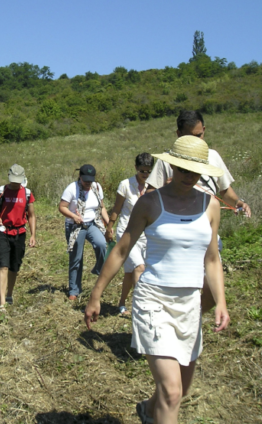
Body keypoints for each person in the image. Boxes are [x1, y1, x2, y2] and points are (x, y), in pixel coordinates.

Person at [84, 136, 230, 424]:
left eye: (196, 170)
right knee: (172, 392)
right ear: (172, 166)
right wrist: (96, 295)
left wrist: (221, 301)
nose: (190, 177)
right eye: (184, 169)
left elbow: (212, 259)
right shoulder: (150, 203)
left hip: (189, 304)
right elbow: (122, 249)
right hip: (154, 300)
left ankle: (149, 410)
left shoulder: (210, 206)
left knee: (180, 390)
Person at [146, 109, 252, 313]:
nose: (197, 140)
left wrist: (238, 202)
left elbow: (225, 190)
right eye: (189, 136)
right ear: (178, 134)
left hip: (205, 233)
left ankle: (190, 318)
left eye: (199, 135)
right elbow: (149, 194)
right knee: (177, 288)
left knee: (212, 292)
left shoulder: (212, 156)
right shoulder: (169, 160)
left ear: (204, 130)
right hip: (175, 233)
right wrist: (166, 187)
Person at [105, 153, 154, 316]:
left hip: (145, 235)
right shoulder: (125, 185)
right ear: (136, 168)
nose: (145, 175)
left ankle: (121, 304)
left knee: (129, 272)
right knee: (139, 267)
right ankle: (142, 307)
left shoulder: (153, 186)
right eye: (142, 171)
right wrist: (110, 226)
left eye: (148, 171)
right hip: (126, 233)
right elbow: (117, 208)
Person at [0, 164, 36, 312]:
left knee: (14, 266)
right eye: (13, 180)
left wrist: (33, 235)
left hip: (19, 233)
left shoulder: (27, 194)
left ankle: (9, 294)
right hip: (2, 231)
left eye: (18, 180)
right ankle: (2, 303)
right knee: (3, 265)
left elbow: (32, 216)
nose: (15, 183)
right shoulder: (1, 191)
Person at [58, 164, 110, 301]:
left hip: (92, 224)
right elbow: (62, 207)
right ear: (80, 177)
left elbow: (102, 207)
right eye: (85, 180)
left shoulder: (97, 187)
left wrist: (109, 223)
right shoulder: (71, 188)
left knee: (102, 244)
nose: (88, 183)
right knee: (76, 259)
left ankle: (98, 269)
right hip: (75, 226)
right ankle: (74, 290)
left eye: (90, 180)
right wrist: (74, 216)